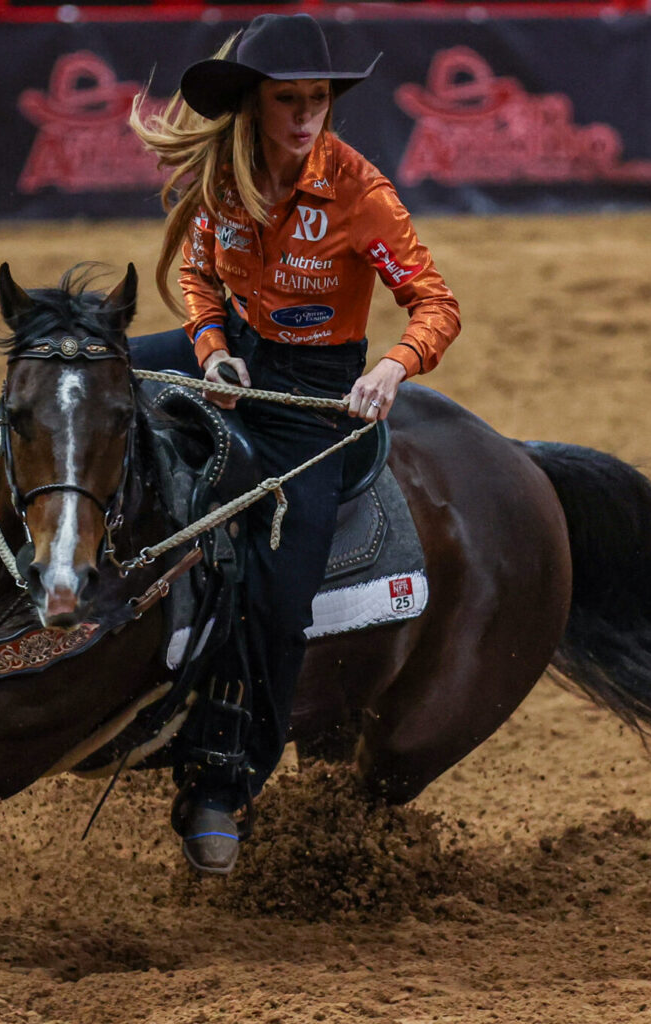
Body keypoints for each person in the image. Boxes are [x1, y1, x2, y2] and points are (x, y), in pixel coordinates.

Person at [124, 13, 459, 874]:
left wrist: (392, 368)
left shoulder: (359, 192)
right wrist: (208, 348)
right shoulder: (223, 177)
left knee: (279, 593)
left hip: (313, 397)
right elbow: (198, 273)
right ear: (253, 103)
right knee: (85, 380)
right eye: (290, 101)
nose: (307, 117)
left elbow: (436, 304)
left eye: (318, 100)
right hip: (233, 357)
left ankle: (225, 783)